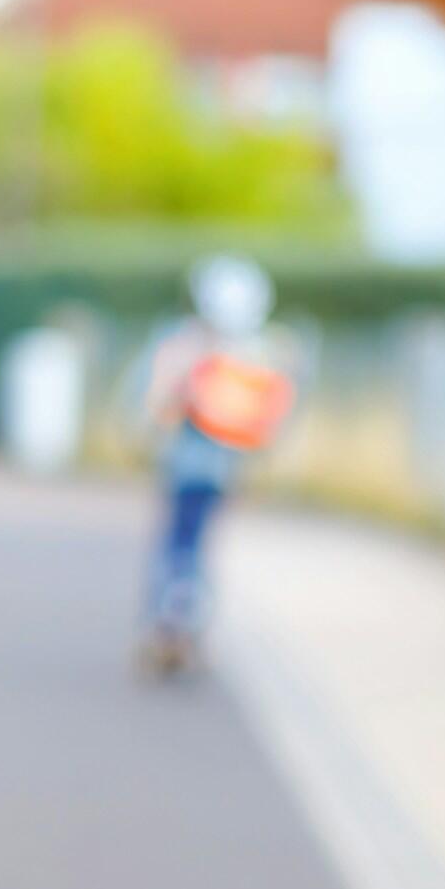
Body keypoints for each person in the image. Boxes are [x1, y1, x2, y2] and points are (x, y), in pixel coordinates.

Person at [138, 255, 296, 672]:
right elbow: (268, 422)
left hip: (185, 467)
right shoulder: (256, 352)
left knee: (178, 545)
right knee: (198, 545)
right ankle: (187, 621)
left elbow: (157, 407)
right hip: (226, 471)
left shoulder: (185, 345)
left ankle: (170, 620)